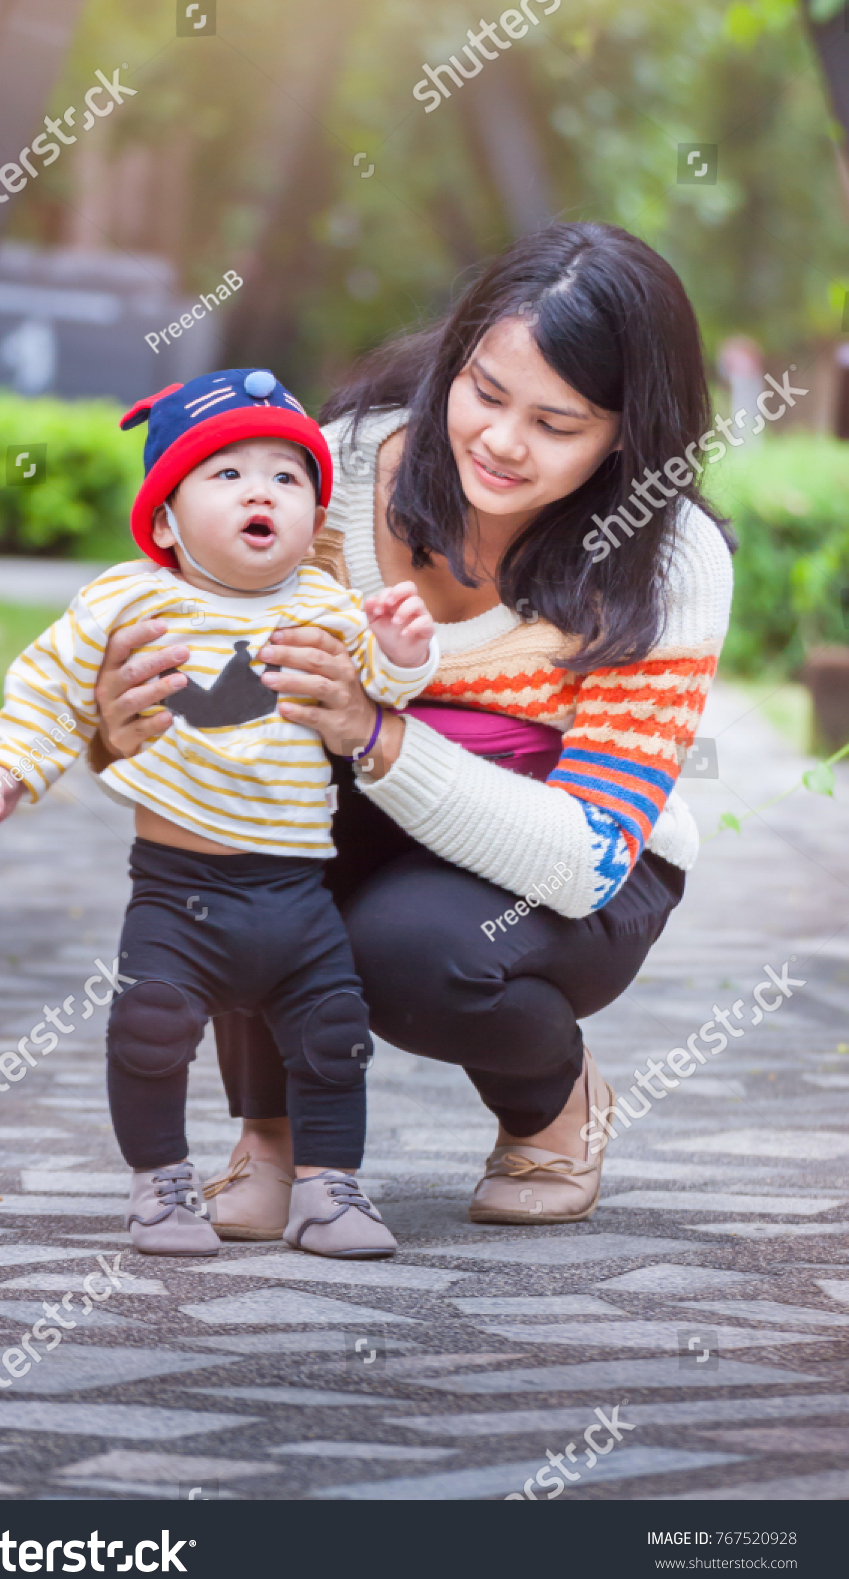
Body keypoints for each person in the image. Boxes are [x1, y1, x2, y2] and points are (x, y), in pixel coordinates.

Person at [88, 222, 734, 1237]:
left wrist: (375, 735)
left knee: (413, 955)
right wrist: (124, 725)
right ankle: (271, 1137)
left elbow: (584, 857)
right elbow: (209, 697)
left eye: (556, 423)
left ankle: (552, 1102)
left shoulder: (664, 559)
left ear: (626, 435)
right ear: (453, 359)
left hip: (582, 865)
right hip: (349, 806)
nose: (501, 441)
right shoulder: (325, 478)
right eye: (483, 391)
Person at [0, 367, 438, 1260]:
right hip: (179, 891)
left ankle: (329, 1192)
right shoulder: (126, 600)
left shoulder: (326, 607)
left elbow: (382, 689)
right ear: (166, 522)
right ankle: (160, 1189)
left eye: (286, 477)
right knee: (150, 1027)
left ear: (311, 518)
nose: (261, 490)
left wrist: (404, 651)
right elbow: (49, 695)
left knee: (333, 1035)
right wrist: (5, 773)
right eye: (226, 473)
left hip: (297, 892)